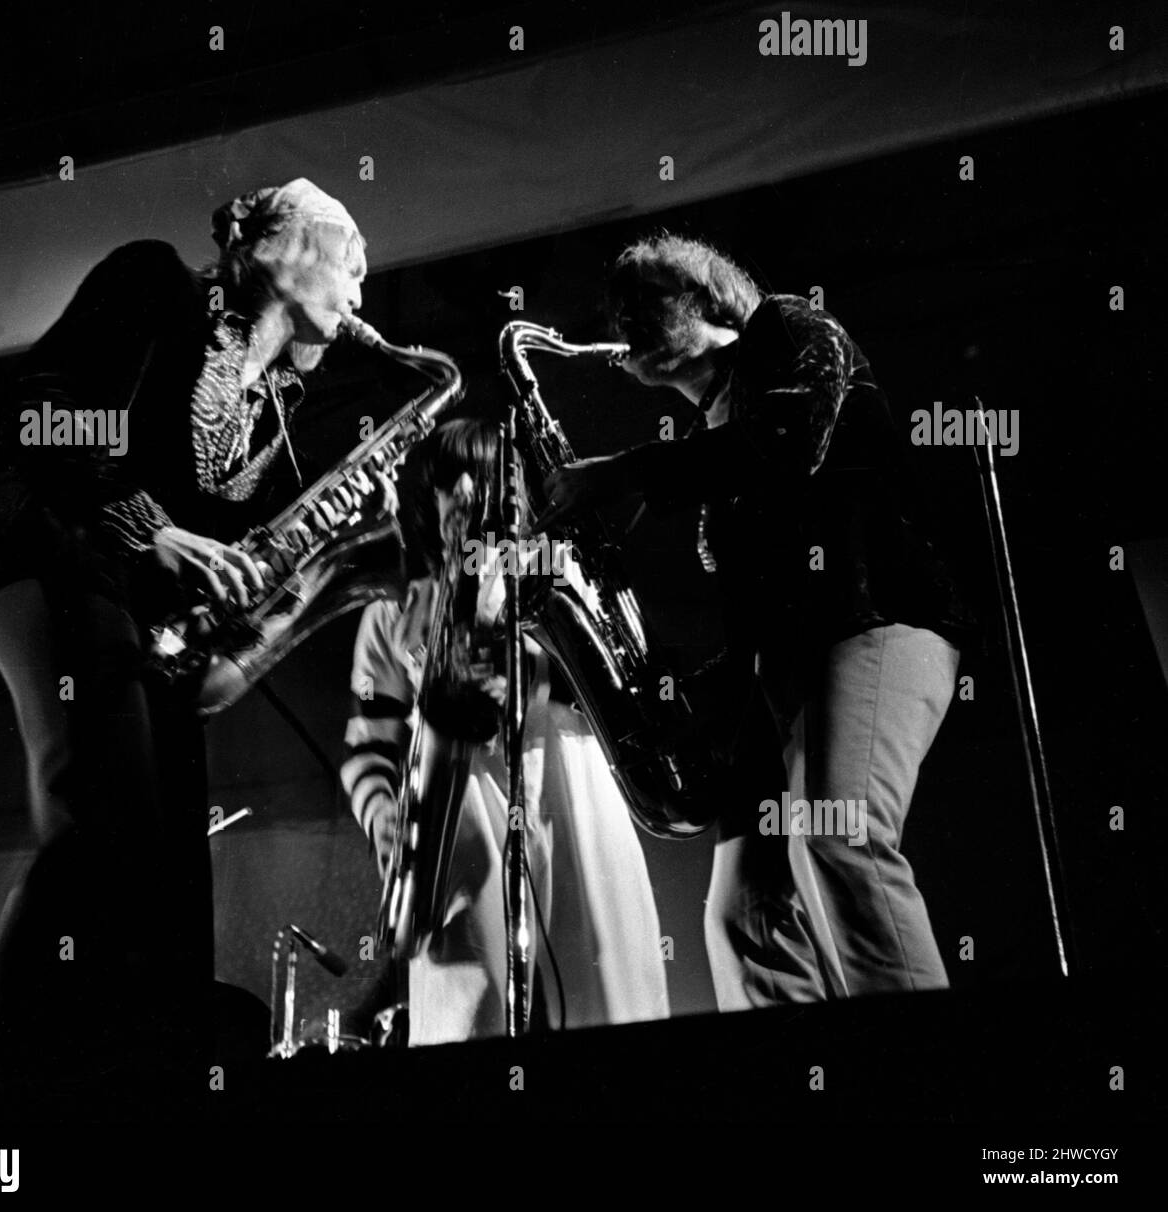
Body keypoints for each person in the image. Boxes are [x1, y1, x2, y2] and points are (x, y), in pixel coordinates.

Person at [0, 179, 368, 1097]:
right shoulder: (156, 284)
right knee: (100, 838)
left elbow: (223, 572)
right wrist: (153, 530)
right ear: (279, 246)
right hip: (63, 575)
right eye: (352, 260)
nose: (363, 290)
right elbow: (40, 406)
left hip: (150, 635)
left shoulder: (274, 408)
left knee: (167, 895)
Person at [538, 234, 975, 1010]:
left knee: (843, 838)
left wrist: (620, 473)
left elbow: (781, 444)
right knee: (744, 916)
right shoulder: (716, 438)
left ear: (709, 301)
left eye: (645, 301)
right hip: (782, 677)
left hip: (873, 624)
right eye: (618, 309)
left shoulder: (791, 328)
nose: (622, 320)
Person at [341, 418, 670, 1043]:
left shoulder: (559, 573)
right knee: (471, 1011)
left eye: (482, 477)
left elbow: (619, 686)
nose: (465, 493)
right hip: (453, 815)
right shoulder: (390, 613)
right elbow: (367, 745)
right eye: (448, 481)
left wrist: (515, 638)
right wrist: (384, 814)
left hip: (571, 800)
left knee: (605, 994)